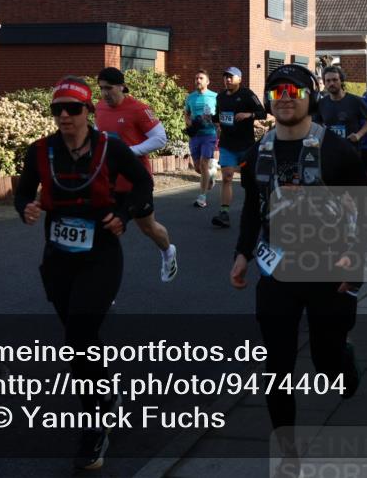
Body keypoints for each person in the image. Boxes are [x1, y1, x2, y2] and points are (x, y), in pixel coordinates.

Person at [229, 63, 367, 459]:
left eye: (293, 90)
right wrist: (242, 254)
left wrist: (356, 266)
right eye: (277, 92)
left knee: (326, 361)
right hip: (277, 270)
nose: (285, 97)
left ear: (311, 97)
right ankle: (286, 447)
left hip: (329, 270)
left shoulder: (338, 151)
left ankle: (343, 359)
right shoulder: (260, 150)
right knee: (277, 363)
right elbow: (253, 209)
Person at [16, 76, 153, 470]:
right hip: (58, 257)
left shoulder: (112, 149)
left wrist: (124, 214)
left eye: (72, 109)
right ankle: (107, 394)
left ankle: (95, 425)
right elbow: (24, 191)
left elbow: (144, 182)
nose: (64, 116)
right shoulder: (40, 151)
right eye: (57, 109)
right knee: (79, 339)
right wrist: (24, 207)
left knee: (79, 333)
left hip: (101, 256)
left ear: (88, 113)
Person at [94, 67, 178, 282]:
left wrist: (128, 152)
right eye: (101, 88)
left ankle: (168, 251)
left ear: (121, 86)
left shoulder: (139, 109)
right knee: (104, 234)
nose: (105, 93)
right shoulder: (99, 108)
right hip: (109, 184)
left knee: (148, 228)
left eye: (109, 88)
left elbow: (160, 138)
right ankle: (103, 289)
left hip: (135, 183)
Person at [213, 66, 267, 228]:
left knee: (250, 180)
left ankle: (260, 208)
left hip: (246, 145)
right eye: (225, 77)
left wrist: (248, 115)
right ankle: (224, 213)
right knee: (227, 176)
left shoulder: (247, 95)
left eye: (231, 77)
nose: (227, 80)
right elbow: (219, 116)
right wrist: (212, 119)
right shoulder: (220, 97)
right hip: (227, 143)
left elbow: (262, 113)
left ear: (239, 79)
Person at [315, 66, 367, 147]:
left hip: (351, 150)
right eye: (328, 81)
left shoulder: (355, 100)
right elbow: (316, 124)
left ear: (341, 81)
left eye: (335, 80)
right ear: (324, 83)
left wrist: (359, 135)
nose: (331, 83)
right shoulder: (321, 103)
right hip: (330, 150)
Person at [184, 69, 218, 208]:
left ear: (207, 81)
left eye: (201, 78)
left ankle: (202, 197)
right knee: (198, 168)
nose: (198, 80)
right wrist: (190, 124)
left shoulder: (215, 97)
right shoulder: (190, 97)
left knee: (204, 164)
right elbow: (186, 114)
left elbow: (219, 115)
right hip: (195, 136)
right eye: (196, 78)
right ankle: (211, 174)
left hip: (209, 135)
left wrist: (215, 122)